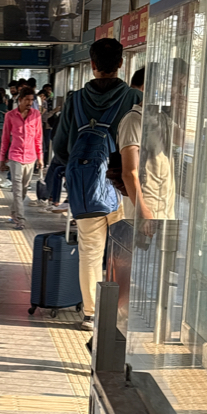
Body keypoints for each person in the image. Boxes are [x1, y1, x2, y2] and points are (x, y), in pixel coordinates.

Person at [54, 37, 143, 331]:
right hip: (122, 188)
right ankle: (116, 313)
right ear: (121, 63)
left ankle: (90, 314)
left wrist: (82, 169)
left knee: (90, 251)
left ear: (92, 64)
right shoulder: (133, 97)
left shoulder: (75, 100)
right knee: (121, 252)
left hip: (86, 187)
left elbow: (61, 148)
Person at [118, 66, 175, 225]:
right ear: (146, 89)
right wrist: (142, 211)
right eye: (166, 89)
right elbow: (129, 172)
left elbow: (182, 139)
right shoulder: (133, 120)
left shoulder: (161, 119)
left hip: (164, 205)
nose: (170, 94)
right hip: (146, 206)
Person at [0, 86, 44, 230]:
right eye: (27, 100)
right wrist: (2, 159)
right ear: (20, 100)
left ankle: (14, 213)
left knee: (24, 190)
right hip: (15, 156)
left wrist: (40, 157)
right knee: (17, 189)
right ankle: (20, 220)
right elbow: (5, 138)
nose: (30, 103)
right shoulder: (10, 116)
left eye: (31, 100)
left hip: (31, 157)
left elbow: (38, 138)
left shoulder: (36, 115)